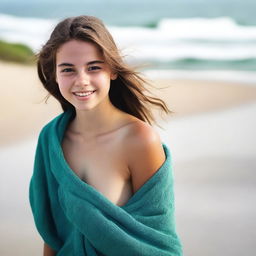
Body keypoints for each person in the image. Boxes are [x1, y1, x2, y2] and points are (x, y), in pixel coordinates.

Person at [29, 15, 182, 256]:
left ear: (111, 70)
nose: (82, 81)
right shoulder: (50, 139)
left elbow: (157, 243)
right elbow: (52, 235)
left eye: (93, 67)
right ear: (54, 75)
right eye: (68, 69)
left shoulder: (140, 140)